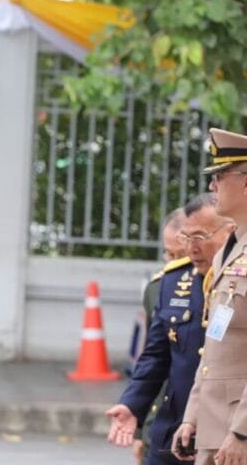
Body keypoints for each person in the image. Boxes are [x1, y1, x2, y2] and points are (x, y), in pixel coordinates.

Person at [106, 193, 233, 464]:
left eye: (200, 237)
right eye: (186, 238)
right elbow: (155, 355)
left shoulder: (239, 280)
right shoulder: (172, 282)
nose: (192, 248)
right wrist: (133, 404)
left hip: (227, 432)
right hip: (173, 430)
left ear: (229, 231)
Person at [172, 128, 247, 464]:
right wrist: (192, 416)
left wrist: (243, 431)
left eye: (219, 176)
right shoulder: (228, 252)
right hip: (216, 426)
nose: (212, 186)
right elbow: (215, 343)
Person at [128, 208, 187, 464]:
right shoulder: (157, 289)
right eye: (168, 254)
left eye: (180, 255)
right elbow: (154, 360)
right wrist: (140, 428)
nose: (172, 262)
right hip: (163, 419)